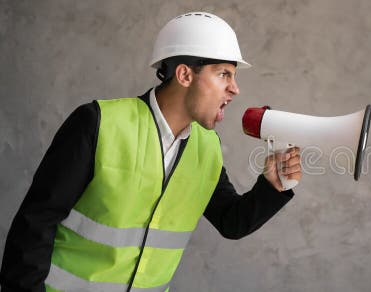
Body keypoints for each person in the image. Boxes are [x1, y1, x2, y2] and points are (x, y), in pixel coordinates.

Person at [0, 12, 301, 291]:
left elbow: (231, 222)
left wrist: (272, 186)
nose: (235, 88)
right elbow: (35, 224)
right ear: (185, 75)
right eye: (224, 74)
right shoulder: (98, 123)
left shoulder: (206, 147)